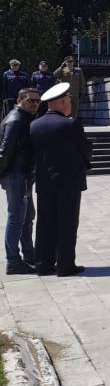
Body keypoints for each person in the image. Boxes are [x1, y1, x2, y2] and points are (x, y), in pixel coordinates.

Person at [31, 82, 91, 276]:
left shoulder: (34, 125)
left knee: (45, 223)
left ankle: (43, 264)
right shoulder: (70, 123)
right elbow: (84, 150)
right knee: (67, 223)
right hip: (68, 181)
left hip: (44, 181)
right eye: (69, 101)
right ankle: (65, 265)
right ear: (63, 102)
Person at [0, 87, 40, 273]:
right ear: (19, 100)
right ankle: (14, 261)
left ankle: (29, 254)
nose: (34, 104)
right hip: (17, 175)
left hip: (23, 174)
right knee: (16, 218)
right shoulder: (16, 120)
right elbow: (5, 151)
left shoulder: (24, 118)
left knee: (27, 217)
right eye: (30, 100)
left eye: (37, 101)